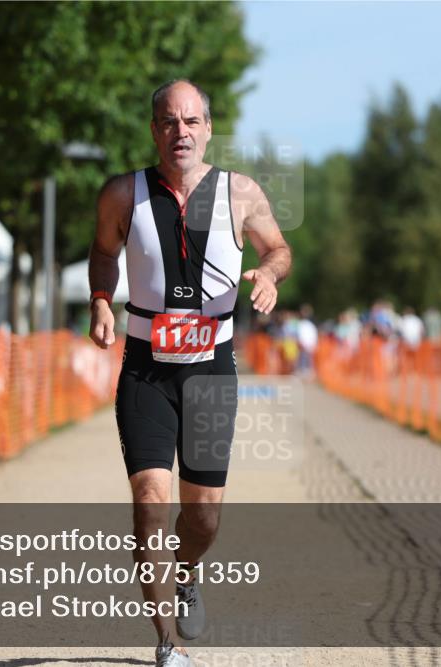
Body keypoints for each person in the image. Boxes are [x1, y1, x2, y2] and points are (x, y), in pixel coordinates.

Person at [87, 79, 292, 667]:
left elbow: (278, 249)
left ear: (208, 128)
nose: (182, 132)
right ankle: (166, 645)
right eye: (169, 122)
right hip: (145, 371)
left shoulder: (240, 192)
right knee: (150, 504)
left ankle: (187, 571)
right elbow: (103, 252)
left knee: (202, 517)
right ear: (155, 131)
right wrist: (101, 300)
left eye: (192, 121)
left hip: (210, 375)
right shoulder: (122, 193)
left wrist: (269, 274)